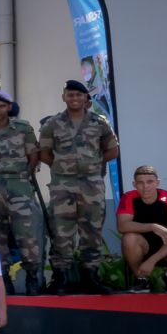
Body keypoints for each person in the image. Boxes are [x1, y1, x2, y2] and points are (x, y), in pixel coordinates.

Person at [39, 79, 121, 292]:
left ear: (86, 98)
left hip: (91, 185)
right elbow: (45, 153)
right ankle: (61, 279)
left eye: (78, 95)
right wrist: (62, 167)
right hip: (62, 185)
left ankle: (91, 278)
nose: (74, 98)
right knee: (61, 232)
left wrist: (94, 166)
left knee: (92, 231)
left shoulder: (99, 123)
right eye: (70, 95)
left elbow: (112, 150)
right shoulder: (52, 124)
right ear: (64, 97)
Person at [0, 90, 43, 293]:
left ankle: (32, 277)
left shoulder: (23, 128)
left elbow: (33, 156)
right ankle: (4, 279)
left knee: (26, 234)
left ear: (9, 108)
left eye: (2, 106)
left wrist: (24, 176)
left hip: (19, 184)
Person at [117, 165, 167, 291]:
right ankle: (141, 279)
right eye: (140, 183)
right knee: (129, 238)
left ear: (157, 183)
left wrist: (152, 261)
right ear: (134, 184)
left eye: (150, 182)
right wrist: (153, 226)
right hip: (143, 245)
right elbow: (122, 226)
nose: (145, 186)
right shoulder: (128, 198)